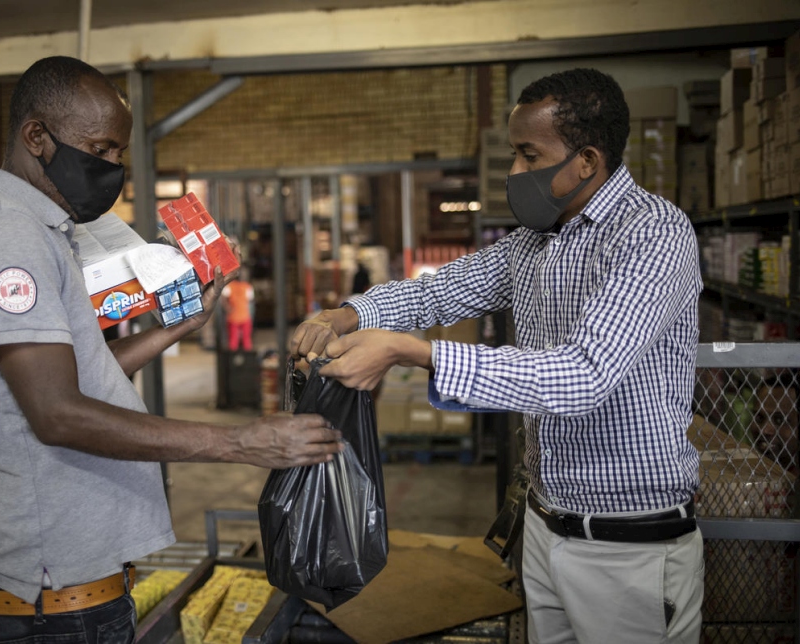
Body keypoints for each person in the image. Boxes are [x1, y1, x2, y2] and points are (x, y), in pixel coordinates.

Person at [0, 56, 342, 643]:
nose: (113, 168)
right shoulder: (6, 239)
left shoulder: (39, 230)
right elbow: (56, 413)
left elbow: (74, 377)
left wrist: (175, 329)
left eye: (119, 154)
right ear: (36, 137)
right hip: (55, 599)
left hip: (74, 585)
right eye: (99, 150)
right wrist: (238, 442)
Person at [291, 68, 704, 643]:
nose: (514, 172)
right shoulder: (536, 241)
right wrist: (349, 315)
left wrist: (412, 352)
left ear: (586, 159)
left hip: (625, 548)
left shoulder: (652, 233)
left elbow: (584, 375)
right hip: (543, 522)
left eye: (528, 155)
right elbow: (438, 289)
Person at [221, 269, 254, 351]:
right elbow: (250, 301)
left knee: (235, 340)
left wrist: (227, 308)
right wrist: (228, 308)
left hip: (236, 317)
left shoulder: (230, 286)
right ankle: (246, 358)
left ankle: (234, 359)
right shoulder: (247, 287)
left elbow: (223, 299)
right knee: (244, 340)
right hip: (241, 317)